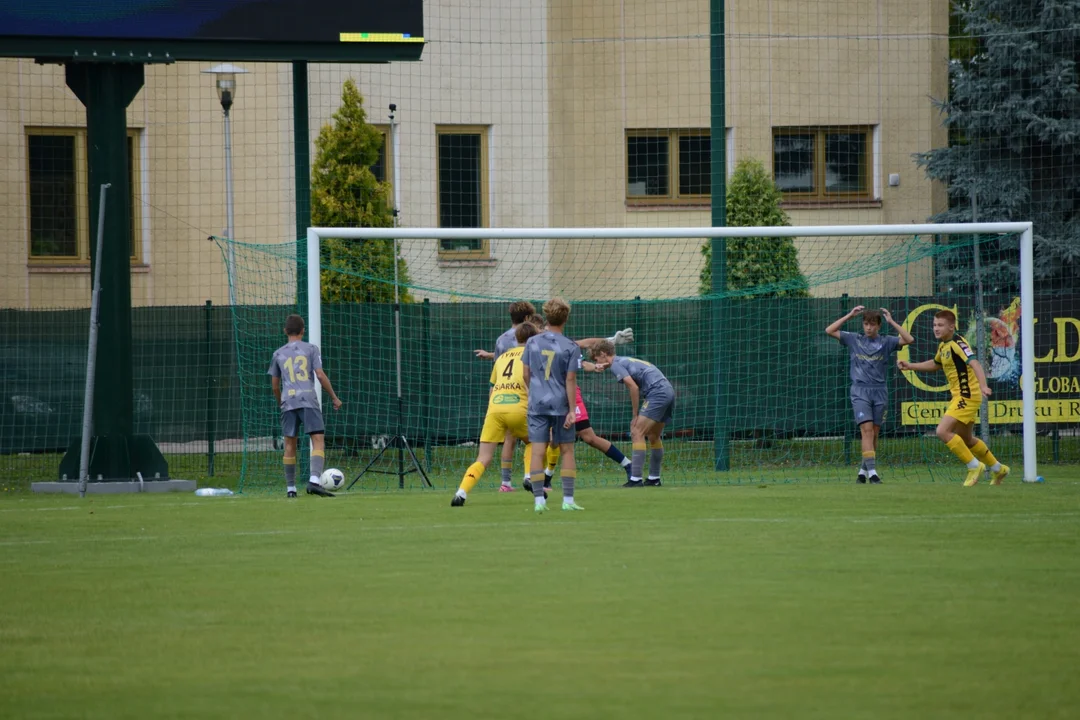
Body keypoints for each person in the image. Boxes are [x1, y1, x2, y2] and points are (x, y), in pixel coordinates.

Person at [897, 309, 1009, 487]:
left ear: (952, 326)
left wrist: (983, 385)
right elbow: (936, 364)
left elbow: (975, 363)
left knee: (942, 431)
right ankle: (998, 469)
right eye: (934, 325)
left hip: (967, 395)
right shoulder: (943, 345)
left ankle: (974, 466)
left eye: (940, 325)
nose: (936, 328)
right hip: (961, 395)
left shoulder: (958, 343)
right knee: (966, 439)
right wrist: (910, 365)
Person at [451, 321, 540, 506]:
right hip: (519, 406)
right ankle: (528, 476)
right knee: (536, 440)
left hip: (495, 408)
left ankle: (461, 492)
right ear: (533, 339)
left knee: (483, 458)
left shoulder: (502, 357)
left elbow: (492, 388)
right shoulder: (533, 354)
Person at [825, 306, 913, 483]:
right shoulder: (854, 339)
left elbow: (909, 339)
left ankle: (862, 472)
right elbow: (829, 330)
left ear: (879, 325)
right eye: (866, 324)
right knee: (866, 430)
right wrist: (850, 315)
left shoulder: (887, 341)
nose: (868, 328)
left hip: (879, 391)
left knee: (874, 432)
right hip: (860, 391)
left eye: (872, 324)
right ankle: (873, 474)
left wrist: (892, 322)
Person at [267, 314, 343, 498]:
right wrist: (334, 396)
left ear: (285, 331)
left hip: (288, 402)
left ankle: (291, 489)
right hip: (308, 400)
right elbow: (320, 375)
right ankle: (314, 481)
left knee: (289, 444)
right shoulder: (310, 349)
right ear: (303, 331)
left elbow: (275, 385)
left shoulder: (278, 353)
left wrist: (281, 402)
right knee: (317, 439)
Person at [522, 298, 583, 512]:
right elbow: (570, 380)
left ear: (546, 316)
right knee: (567, 451)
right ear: (566, 318)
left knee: (538, 451)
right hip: (561, 405)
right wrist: (571, 409)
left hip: (537, 404)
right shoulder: (571, 346)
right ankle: (568, 500)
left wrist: (534, 394)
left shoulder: (532, 342)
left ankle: (539, 501)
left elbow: (526, 374)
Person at [590, 341, 675, 488]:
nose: (596, 363)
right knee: (654, 436)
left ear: (603, 354)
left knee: (637, 431)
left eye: (596, 359)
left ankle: (635, 479)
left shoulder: (616, 364)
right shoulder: (623, 360)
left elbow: (633, 387)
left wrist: (635, 415)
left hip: (657, 393)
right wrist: (604, 365)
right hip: (668, 390)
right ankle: (654, 478)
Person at [473, 301, 536, 492]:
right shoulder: (533, 338)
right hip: (522, 393)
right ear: (526, 318)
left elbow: (501, 363)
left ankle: (506, 482)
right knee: (536, 438)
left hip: (501, 394)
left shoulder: (501, 340)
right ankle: (532, 476)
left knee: (509, 438)